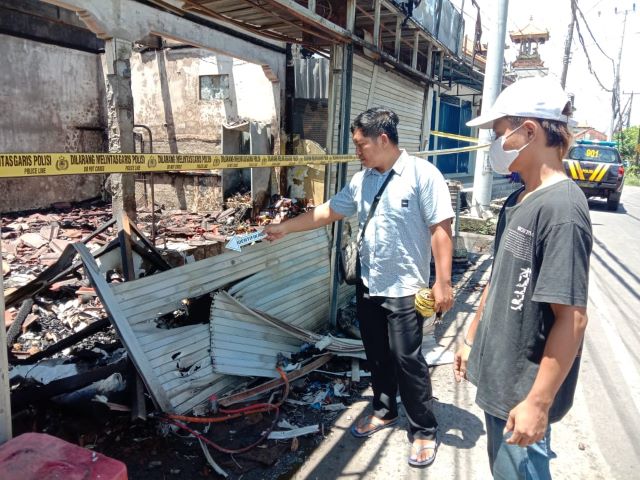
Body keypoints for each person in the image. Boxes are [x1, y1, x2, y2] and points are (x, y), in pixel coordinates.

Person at [265, 107, 454, 467]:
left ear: (383, 140)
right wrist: (286, 227)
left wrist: (442, 282)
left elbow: (441, 231)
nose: (357, 152)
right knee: (377, 356)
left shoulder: (422, 176)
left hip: (406, 288)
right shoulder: (362, 179)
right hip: (370, 284)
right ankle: (384, 410)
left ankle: (424, 430)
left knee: (407, 360)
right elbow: (329, 211)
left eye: (361, 144)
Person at [453, 76, 592, 479]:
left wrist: (538, 402)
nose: (496, 146)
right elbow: (501, 277)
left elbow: (572, 318)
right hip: (501, 378)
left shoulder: (563, 210)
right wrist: (471, 337)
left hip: (522, 389)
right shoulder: (519, 199)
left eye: (501, 134)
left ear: (528, 131)